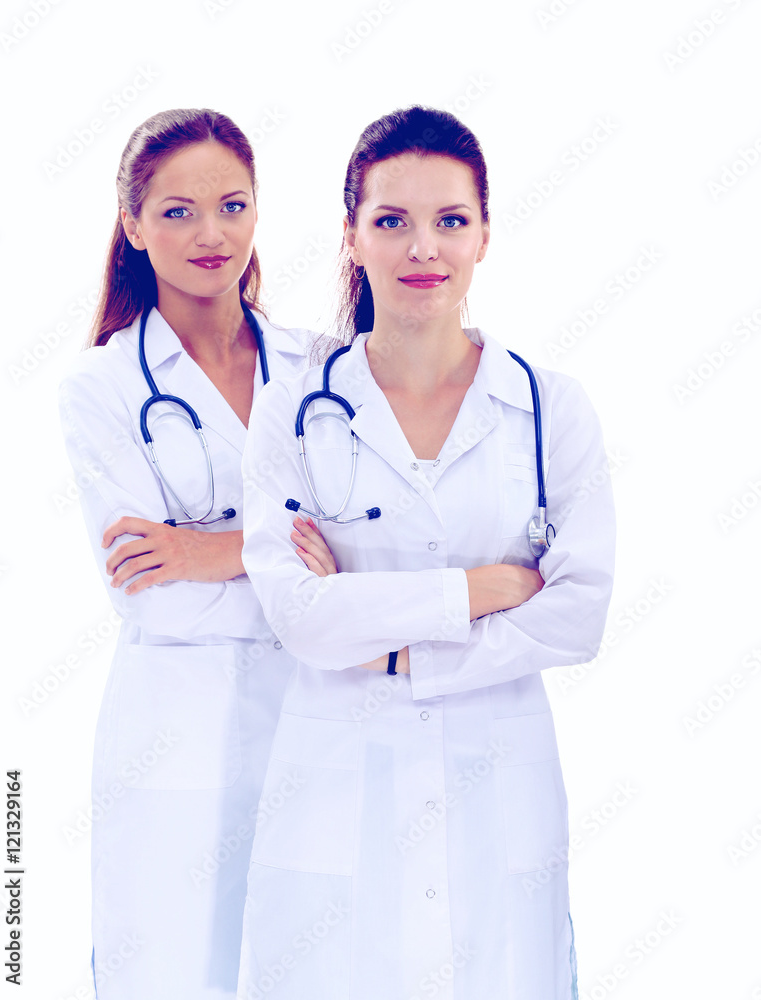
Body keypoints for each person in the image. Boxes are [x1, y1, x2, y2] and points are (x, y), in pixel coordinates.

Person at [236, 106, 615, 999]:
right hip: (334, 792)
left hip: (500, 791)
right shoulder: (290, 409)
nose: (424, 249)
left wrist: (397, 647)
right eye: (392, 221)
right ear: (351, 236)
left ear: (485, 233)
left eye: (450, 221)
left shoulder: (550, 410)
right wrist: (486, 587)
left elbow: (578, 613)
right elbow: (301, 619)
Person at [58, 108, 335, 1000]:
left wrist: (204, 550)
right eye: (176, 212)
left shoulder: (324, 369)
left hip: (324, 719)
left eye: (232, 205)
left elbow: (373, 562)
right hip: (173, 742)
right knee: (179, 970)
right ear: (133, 226)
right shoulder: (101, 387)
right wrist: (292, 561)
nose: (210, 234)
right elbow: (156, 598)